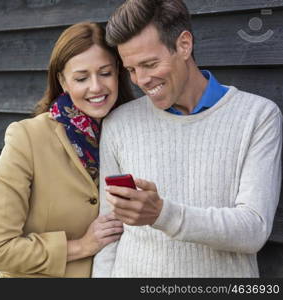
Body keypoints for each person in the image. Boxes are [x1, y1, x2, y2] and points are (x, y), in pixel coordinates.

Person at [92, 0, 282, 277]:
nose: (141, 80)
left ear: (184, 45)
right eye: (131, 69)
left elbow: (253, 229)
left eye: (149, 64)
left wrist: (163, 214)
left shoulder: (258, 116)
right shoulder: (119, 123)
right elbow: (110, 230)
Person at [0, 22, 134, 278]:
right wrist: (82, 245)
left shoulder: (132, 133)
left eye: (105, 73)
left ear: (118, 71)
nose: (96, 87)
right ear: (62, 81)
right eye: (82, 78)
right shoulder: (26, 138)